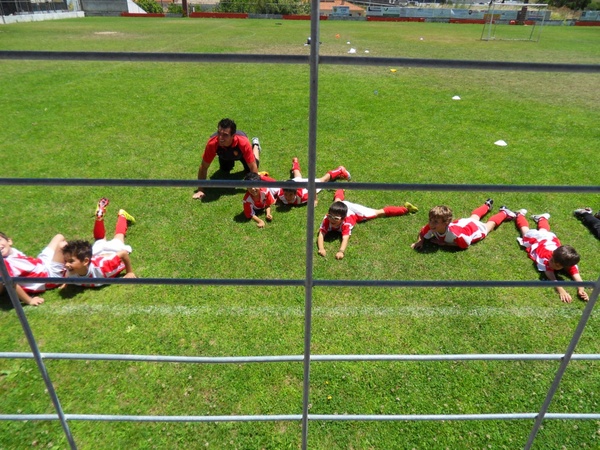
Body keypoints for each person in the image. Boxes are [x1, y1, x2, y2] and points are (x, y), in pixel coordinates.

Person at [318, 189, 418, 260]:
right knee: (337, 202)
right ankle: (340, 189)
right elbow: (321, 234)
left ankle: (405, 209)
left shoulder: (346, 223)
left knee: (377, 213)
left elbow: (345, 238)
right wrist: (321, 248)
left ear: (343, 219)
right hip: (342, 207)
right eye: (330, 216)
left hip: (354, 212)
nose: (332, 219)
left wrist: (341, 251)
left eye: (336, 218)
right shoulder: (327, 219)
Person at [515, 210, 588, 303]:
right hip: (539, 240)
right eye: (552, 260)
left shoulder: (568, 261)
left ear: (565, 266)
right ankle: (519, 215)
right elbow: (550, 275)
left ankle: (542, 218)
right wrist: (561, 290)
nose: (551, 263)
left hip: (548, 239)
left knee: (544, 231)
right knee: (526, 232)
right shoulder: (546, 258)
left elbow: (577, 277)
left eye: (556, 265)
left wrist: (581, 289)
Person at [61, 198, 136, 287]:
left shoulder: (104, 267)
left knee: (118, 236)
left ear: (85, 262)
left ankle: (122, 215)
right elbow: (67, 273)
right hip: (95, 254)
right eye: (66, 261)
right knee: (100, 239)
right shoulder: (73, 270)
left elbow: (123, 253)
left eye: (70, 261)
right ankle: (99, 218)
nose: (66, 265)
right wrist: (65, 283)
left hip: (111, 252)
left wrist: (129, 272)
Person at [193, 118, 261, 200]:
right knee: (225, 170)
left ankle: (256, 145)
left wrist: (254, 188)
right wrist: (200, 190)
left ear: (233, 136)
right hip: (224, 155)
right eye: (219, 133)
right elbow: (204, 167)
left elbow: (253, 167)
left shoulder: (243, 143)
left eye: (225, 135)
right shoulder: (212, 143)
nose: (220, 137)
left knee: (252, 167)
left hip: (241, 154)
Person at [411, 199, 516, 250]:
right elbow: (422, 232)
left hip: (473, 230)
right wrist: (420, 242)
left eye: (435, 221)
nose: (431, 223)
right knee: (474, 217)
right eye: (430, 220)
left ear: (446, 223)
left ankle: (504, 212)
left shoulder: (456, 235)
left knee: (489, 225)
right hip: (462, 223)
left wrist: (444, 244)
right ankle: (487, 205)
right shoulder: (432, 227)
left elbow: (465, 244)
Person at [0, 231, 66, 306]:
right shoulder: (4, 264)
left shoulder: (10, 251)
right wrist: (29, 300)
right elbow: (11, 283)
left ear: (9, 241)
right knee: (62, 246)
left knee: (59, 237)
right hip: (49, 277)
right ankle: (69, 273)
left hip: (42, 263)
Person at [274, 157, 351, 207]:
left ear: (295, 193)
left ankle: (340, 170)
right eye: (286, 194)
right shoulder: (281, 195)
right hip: (294, 182)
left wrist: (314, 200)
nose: (287, 197)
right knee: (297, 177)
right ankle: (295, 162)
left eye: (290, 195)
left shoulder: (303, 196)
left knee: (322, 180)